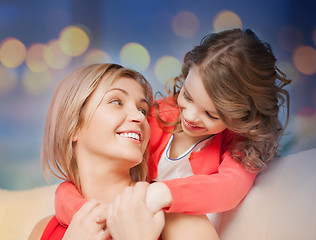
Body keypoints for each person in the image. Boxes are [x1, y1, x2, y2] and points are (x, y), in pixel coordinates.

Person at [54, 28, 291, 237]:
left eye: (211, 114)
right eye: (187, 96)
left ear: (243, 118)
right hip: (131, 219)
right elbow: (75, 183)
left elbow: (230, 188)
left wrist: (159, 193)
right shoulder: (160, 115)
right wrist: (91, 217)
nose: (190, 116)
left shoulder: (237, 145)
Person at [28, 63, 167, 240]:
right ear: (74, 126)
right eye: (117, 102)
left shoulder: (175, 215)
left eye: (142, 110)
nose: (140, 117)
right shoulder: (43, 231)